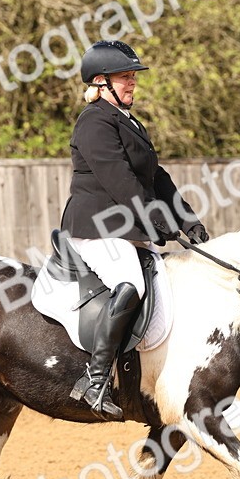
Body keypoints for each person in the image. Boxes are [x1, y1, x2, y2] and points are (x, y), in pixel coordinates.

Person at [59, 39, 211, 419]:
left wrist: (185, 218)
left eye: (132, 77)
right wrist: (156, 221)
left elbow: (155, 176)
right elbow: (120, 180)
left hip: (127, 229)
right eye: (124, 77)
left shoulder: (129, 121)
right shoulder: (93, 122)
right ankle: (94, 382)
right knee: (132, 285)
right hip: (97, 228)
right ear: (100, 82)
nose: (132, 84)